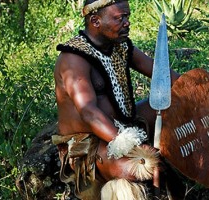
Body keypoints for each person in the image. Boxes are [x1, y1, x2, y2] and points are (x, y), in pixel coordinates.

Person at [52, 0, 180, 199]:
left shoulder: (120, 46)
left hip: (124, 122)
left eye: (127, 16)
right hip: (90, 140)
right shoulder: (73, 59)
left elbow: (161, 74)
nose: (127, 23)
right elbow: (88, 111)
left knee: (175, 103)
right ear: (95, 20)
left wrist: (196, 87)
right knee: (133, 169)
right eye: (120, 18)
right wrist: (130, 146)